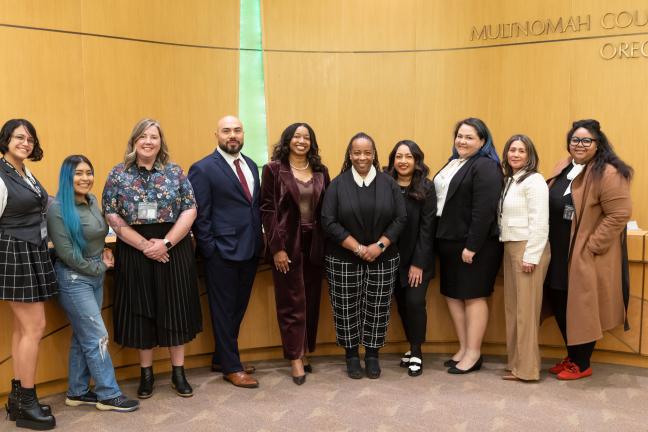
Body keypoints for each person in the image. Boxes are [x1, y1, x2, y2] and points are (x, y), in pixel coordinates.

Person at [102, 118, 201, 398]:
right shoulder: (118, 174)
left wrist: (166, 242)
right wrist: (145, 245)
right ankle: (146, 374)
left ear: (161, 142)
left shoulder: (175, 172)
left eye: (154, 137)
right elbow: (111, 213)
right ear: (134, 141)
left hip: (174, 246)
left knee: (176, 308)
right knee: (141, 310)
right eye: (143, 136)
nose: (148, 141)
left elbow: (190, 210)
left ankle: (178, 373)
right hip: (135, 248)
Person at [48, 155, 139, 411]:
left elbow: (99, 235)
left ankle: (76, 392)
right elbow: (67, 254)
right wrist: (99, 265)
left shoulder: (91, 201)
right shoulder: (57, 208)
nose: (85, 178)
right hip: (74, 279)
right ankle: (108, 394)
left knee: (83, 336)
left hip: (95, 277)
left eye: (89, 172)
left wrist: (105, 253)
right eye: (78, 173)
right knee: (97, 337)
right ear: (67, 177)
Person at [544, 119, 632, 380]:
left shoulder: (608, 173)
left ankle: (582, 363)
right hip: (558, 248)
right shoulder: (564, 166)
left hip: (583, 253)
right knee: (559, 297)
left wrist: (592, 246)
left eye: (586, 140)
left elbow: (619, 214)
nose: (579, 145)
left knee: (581, 306)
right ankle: (572, 356)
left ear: (597, 143)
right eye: (575, 140)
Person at [321, 132, 407, 380]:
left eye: (367, 152)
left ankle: (371, 355)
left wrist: (378, 246)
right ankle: (350, 355)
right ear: (350, 155)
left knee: (378, 307)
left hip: (383, 257)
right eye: (357, 152)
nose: (362, 157)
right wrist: (358, 248)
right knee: (346, 308)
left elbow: (400, 218)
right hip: (343, 258)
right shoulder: (337, 184)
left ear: (374, 155)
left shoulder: (388, 183)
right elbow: (328, 221)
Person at [189, 115, 263, 389]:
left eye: (237, 130)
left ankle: (222, 356)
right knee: (222, 310)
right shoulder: (203, 168)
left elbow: (252, 207)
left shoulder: (252, 165)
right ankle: (232, 367)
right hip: (221, 252)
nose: (232, 135)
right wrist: (210, 249)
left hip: (251, 248)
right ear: (216, 135)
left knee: (237, 308)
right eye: (226, 131)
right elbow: (201, 215)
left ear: (243, 134)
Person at [260, 123, 330, 385]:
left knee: (311, 301)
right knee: (291, 303)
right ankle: (294, 358)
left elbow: (327, 209)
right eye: (296, 137)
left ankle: (305, 349)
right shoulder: (273, 170)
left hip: (315, 245)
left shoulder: (321, 171)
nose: (301, 141)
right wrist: (276, 247)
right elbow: (267, 210)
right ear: (287, 140)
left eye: (307, 137)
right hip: (288, 244)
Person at [433, 117, 503, 374]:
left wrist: (472, 246)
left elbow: (483, 211)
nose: (462, 141)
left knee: (473, 296)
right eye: (459, 136)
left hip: (475, 245)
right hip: (449, 241)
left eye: (469, 137)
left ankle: (474, 353)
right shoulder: (454, 162)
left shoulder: (485, 166)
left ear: (483, 141)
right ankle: (464, 347)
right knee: (453, 295)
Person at [0, 119, 56, 430]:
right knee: (36, 326)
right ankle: (28, 401)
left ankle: (18, 398)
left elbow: (45, 206)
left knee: (24, 328)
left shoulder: (24, 172)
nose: (26, 142)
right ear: (6, 140)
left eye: (30, 138)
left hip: (31, 249)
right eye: (19, 137)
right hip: (12, 251)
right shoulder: (0, 174)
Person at [498, 135, 550, 382]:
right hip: (511, 247)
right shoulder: (511, 180)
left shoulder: (535, 181)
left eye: (521, 150)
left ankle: (528, 370)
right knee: (513, 308)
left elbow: (540, 221)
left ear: (530, 155)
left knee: (527, 312)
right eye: (512, 150)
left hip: (528, 249)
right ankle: (515, 363)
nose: (515, 154)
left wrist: (531, 256)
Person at [386, 140, 436, 377]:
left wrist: (418, 263)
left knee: (415, 302)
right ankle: (411, 345)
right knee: (403, 305)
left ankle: (416, 351)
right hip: (390, 258)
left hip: (418, 259)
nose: (403, 161)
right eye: (398, 156)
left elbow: (427, 229)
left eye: (408, 156)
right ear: (393, 160)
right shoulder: (384, 184)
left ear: (416, 160)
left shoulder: (426, 187)